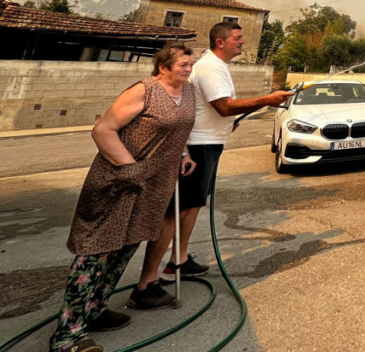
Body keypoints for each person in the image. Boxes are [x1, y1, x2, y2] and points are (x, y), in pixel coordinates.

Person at [50, 43, 196, 352]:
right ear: (163, 67)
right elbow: (103, 130)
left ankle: (96, 311)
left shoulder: (188, 92)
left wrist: (183, 153)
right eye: (183, 64)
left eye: (189, 63)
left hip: (153, 185)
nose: (188, 68)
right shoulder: (144, 90)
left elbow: (178, 129)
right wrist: (131, 169)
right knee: (96, 252)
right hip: (118, 181)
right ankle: (67, 336)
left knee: (124, 247)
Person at [136, 21, 291, 291]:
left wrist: (227, 123)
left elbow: (217, 110)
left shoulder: (218, 67)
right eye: (238, 38)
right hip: (196, 147)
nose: (243, 42)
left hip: (207, 143)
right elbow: (224, 106)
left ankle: (179, 259)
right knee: (177, 211)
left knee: (191, 207)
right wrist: (267, 99)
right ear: (220, 42)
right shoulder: (210, 67)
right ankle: (148, 281)